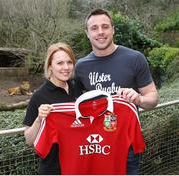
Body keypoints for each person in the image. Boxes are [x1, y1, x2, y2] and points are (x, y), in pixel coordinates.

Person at [74, 8, 159, 175]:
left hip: (128, 147)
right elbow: (76, 109)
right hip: (95, 146)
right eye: (94, 28)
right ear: (87, 33)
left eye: (105, 26)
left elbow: (153, 98)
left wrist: (140, 99)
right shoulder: (80, 67)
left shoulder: (135, 58)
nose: (100, 32)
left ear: (113, 29)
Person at [23, 42, 81, 175]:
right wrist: (39, 118)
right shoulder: (39, 95)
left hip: (78, 164)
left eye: (69, 62)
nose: (66, 67)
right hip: (53, 169)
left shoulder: (76, 88)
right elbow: (28, 139)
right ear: (50, 66)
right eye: (60, 63)